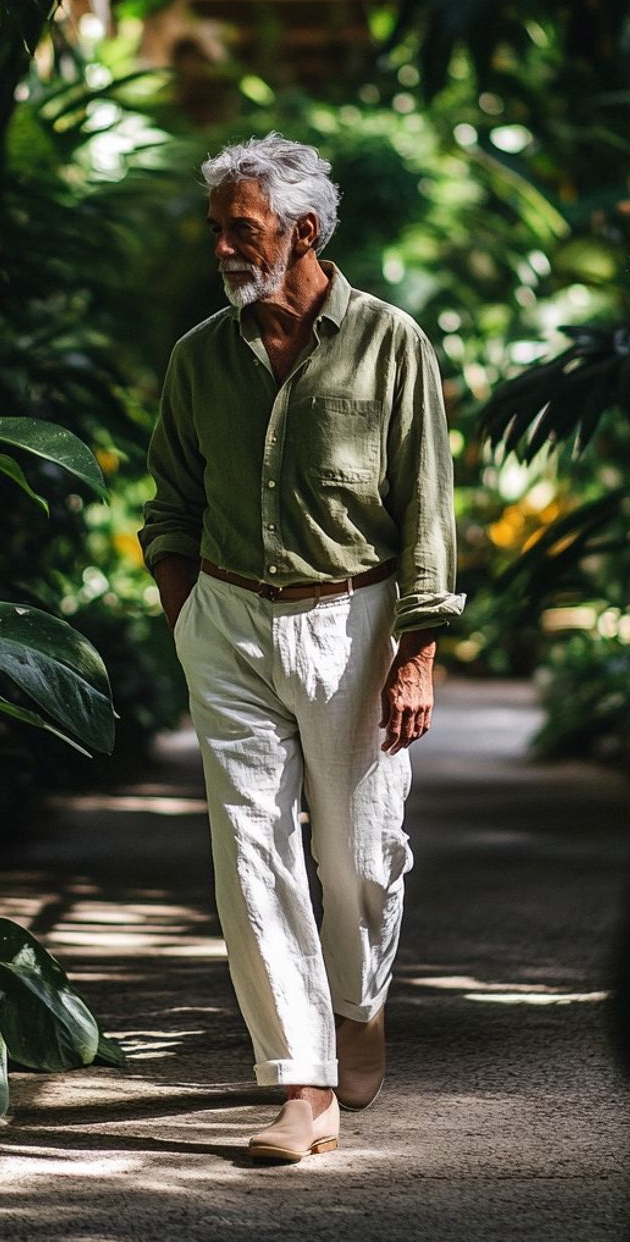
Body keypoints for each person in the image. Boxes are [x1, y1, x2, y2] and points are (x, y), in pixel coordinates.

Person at [138, 132, 465, 1164]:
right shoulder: (199, 356)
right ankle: (302, 1081)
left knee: (358, 858)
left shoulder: (390, 343)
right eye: (217, 229)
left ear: (304, 230)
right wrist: (187, 617)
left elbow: (426, 507)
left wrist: (416, 650)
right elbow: (170, 505)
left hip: (353, 621)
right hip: (229, 621)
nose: (222, 248)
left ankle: (357, 1003)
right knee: (250, 853)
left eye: (242, 230)